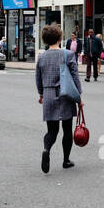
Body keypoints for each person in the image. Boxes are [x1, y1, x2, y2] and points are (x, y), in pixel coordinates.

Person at [36, 23, 82, 173]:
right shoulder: (67, 54)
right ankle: (66, 160)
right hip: (66, 94)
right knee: (67, 129)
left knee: (52, 130)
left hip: (49, 94)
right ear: (59, 38)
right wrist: (79, 98)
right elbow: (75, 77)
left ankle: (46, 150)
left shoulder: (41, 57)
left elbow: (38, 78)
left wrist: (41, 94)